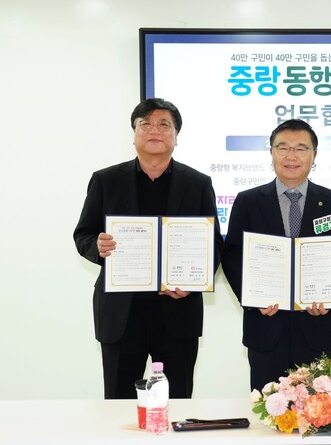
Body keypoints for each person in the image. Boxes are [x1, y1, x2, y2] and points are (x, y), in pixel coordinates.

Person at [73, 98, 223, 399]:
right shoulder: (105, 180)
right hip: (121, 313)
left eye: (164, 125)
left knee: (177, 400)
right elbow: (83, 235)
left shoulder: (198, 183)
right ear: (134, 133)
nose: (155, 130)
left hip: (178, 312)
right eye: (146, 124)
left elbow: (214, 244)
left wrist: (192, 285)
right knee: (118, 402)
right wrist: (97, 246)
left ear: (176, 136)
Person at [221, 119, 331, 392]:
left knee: (318, 407)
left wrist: (330, 298)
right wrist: (253, 300)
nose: (291, 156)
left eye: (300, 148)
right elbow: (232, 256)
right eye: (282, 147)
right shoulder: (248, 201)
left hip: (316, 327)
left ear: (314, 155)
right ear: (271, 153)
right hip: (265, 328)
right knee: (268, 406)